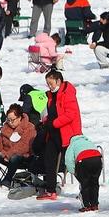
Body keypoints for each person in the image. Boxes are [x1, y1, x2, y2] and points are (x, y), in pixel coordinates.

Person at [39, 70, 82, 201]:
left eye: (51, 83)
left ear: (58, 81)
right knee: (49, 160)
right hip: (54, 133)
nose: (49, 86)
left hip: (67, 134)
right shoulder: (51, 95)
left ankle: (84, 188)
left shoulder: (67, 93)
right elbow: (54, 112)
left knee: (71, 163)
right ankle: (51, 190)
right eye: (47, 84)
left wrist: (54, 123)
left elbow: (70, 114)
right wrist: (47, 120)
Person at [0, 106, 35, 189]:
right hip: (6, 155)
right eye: (8, 120)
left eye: (12, 120)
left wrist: (8, 154)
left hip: (24, 157)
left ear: (20, 118)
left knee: (15, 157)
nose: (10, 122)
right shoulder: (6, 127)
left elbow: (24, 146)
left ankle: (7, 181)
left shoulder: (29, 127)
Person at [63, 134, 103, 213]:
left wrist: (73, 172)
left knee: (85, 183)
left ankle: (86, 206)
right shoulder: (88, 142)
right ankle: (95, 204)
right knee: (94, 183)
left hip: (83, 161)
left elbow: (68, 160)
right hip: (97, 159)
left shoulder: (72, 145)